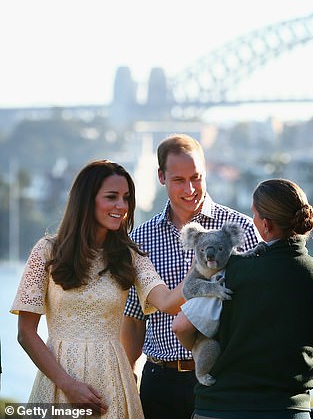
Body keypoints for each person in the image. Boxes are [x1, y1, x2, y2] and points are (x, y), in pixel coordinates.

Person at [10, 160, 195, 418]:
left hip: (113, 384)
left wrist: (200, 268)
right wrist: (68, 386)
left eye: (126, 198)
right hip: (58, 384)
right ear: (86, 200)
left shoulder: (130, 256)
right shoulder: (47, 251)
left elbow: (167, 303)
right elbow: (26, 334)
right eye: (112, 197)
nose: (122, 206)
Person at [173, 178, 313, 419]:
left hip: (222, 408)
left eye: (254, 214)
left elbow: (181, 326)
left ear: (266, 224)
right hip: (288, 410)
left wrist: (205, 352)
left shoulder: (232, 271)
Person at [121, 134, 259, 419]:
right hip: (161, 381)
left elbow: (260, 306)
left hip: (223, 376)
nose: (190, 188)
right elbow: (134, 319)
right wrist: (127, 380)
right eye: (179, 180)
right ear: (161, 176)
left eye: (196, 177)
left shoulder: (239, 230)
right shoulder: (140, 240)